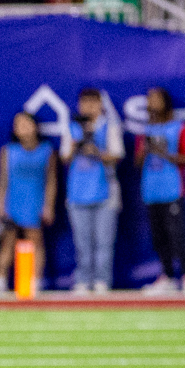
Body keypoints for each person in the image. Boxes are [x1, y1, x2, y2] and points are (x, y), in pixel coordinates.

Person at [61, 88, 125, 294]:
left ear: (100, 104)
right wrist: (75, 146)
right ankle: (82, 279)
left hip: (105, 190)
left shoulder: (110, 126)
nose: (87, 107)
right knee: (82, 242)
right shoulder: (71, 127)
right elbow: (64, 157)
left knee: (104, 241)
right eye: (84, 103)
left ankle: (101, 280)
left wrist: (96, 152)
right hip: (78, 192)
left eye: (92, 103)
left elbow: (117, 154)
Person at [137, 87, 185, 293]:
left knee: (178, 234)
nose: (151, 103)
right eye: (149, 99)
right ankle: (167, 277)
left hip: (172, 188)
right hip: (151, 190)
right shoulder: (145, 131)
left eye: (155, 99)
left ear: (166, 102)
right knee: (158, 236)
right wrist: (146, 150)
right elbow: (137, 162)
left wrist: (165, 153)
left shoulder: (179, 127)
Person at [0, 111, 57, 293]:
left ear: (35, 127)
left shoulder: (47, 150)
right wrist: (0, 204)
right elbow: (2, 180)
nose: (23, 128)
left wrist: (48, 206)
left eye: (27, 124)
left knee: (35, 241)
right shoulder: (8, 150)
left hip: (34, 200)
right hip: (13, 200)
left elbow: (51, 181)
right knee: (7, 242)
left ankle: (36, 280)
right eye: (18, 125)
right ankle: (0, 279)